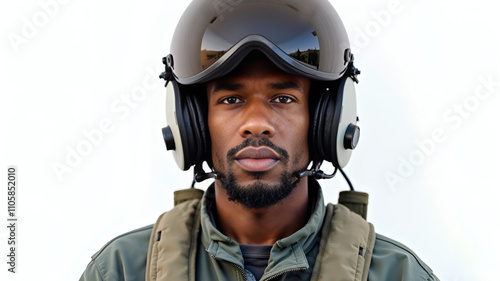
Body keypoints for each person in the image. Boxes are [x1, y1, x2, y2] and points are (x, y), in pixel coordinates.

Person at [80, 0, 439, 280]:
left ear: (326, 122)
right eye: (231, 100)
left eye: (283, 99)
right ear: (193, 125)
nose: (255, 124)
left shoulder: (398, 274)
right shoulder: (122, 271)